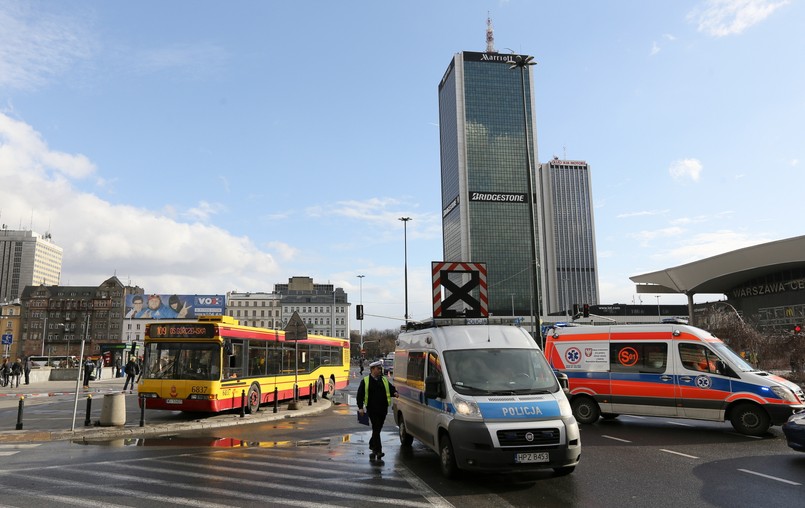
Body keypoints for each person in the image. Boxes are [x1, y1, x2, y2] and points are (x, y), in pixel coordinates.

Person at [356, 360, 399, 461]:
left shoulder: (383, 380)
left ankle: (372, 446)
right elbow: (360, 394)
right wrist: (360, 407)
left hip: (383, 409)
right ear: (372, 369)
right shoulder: (366, 381)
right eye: (378, 369)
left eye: (380, 369)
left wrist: (395, 392)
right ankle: (379, 451)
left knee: (377, 429)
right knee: (376, 428)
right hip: (372, 409)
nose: (380, 370)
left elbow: (391, 389)